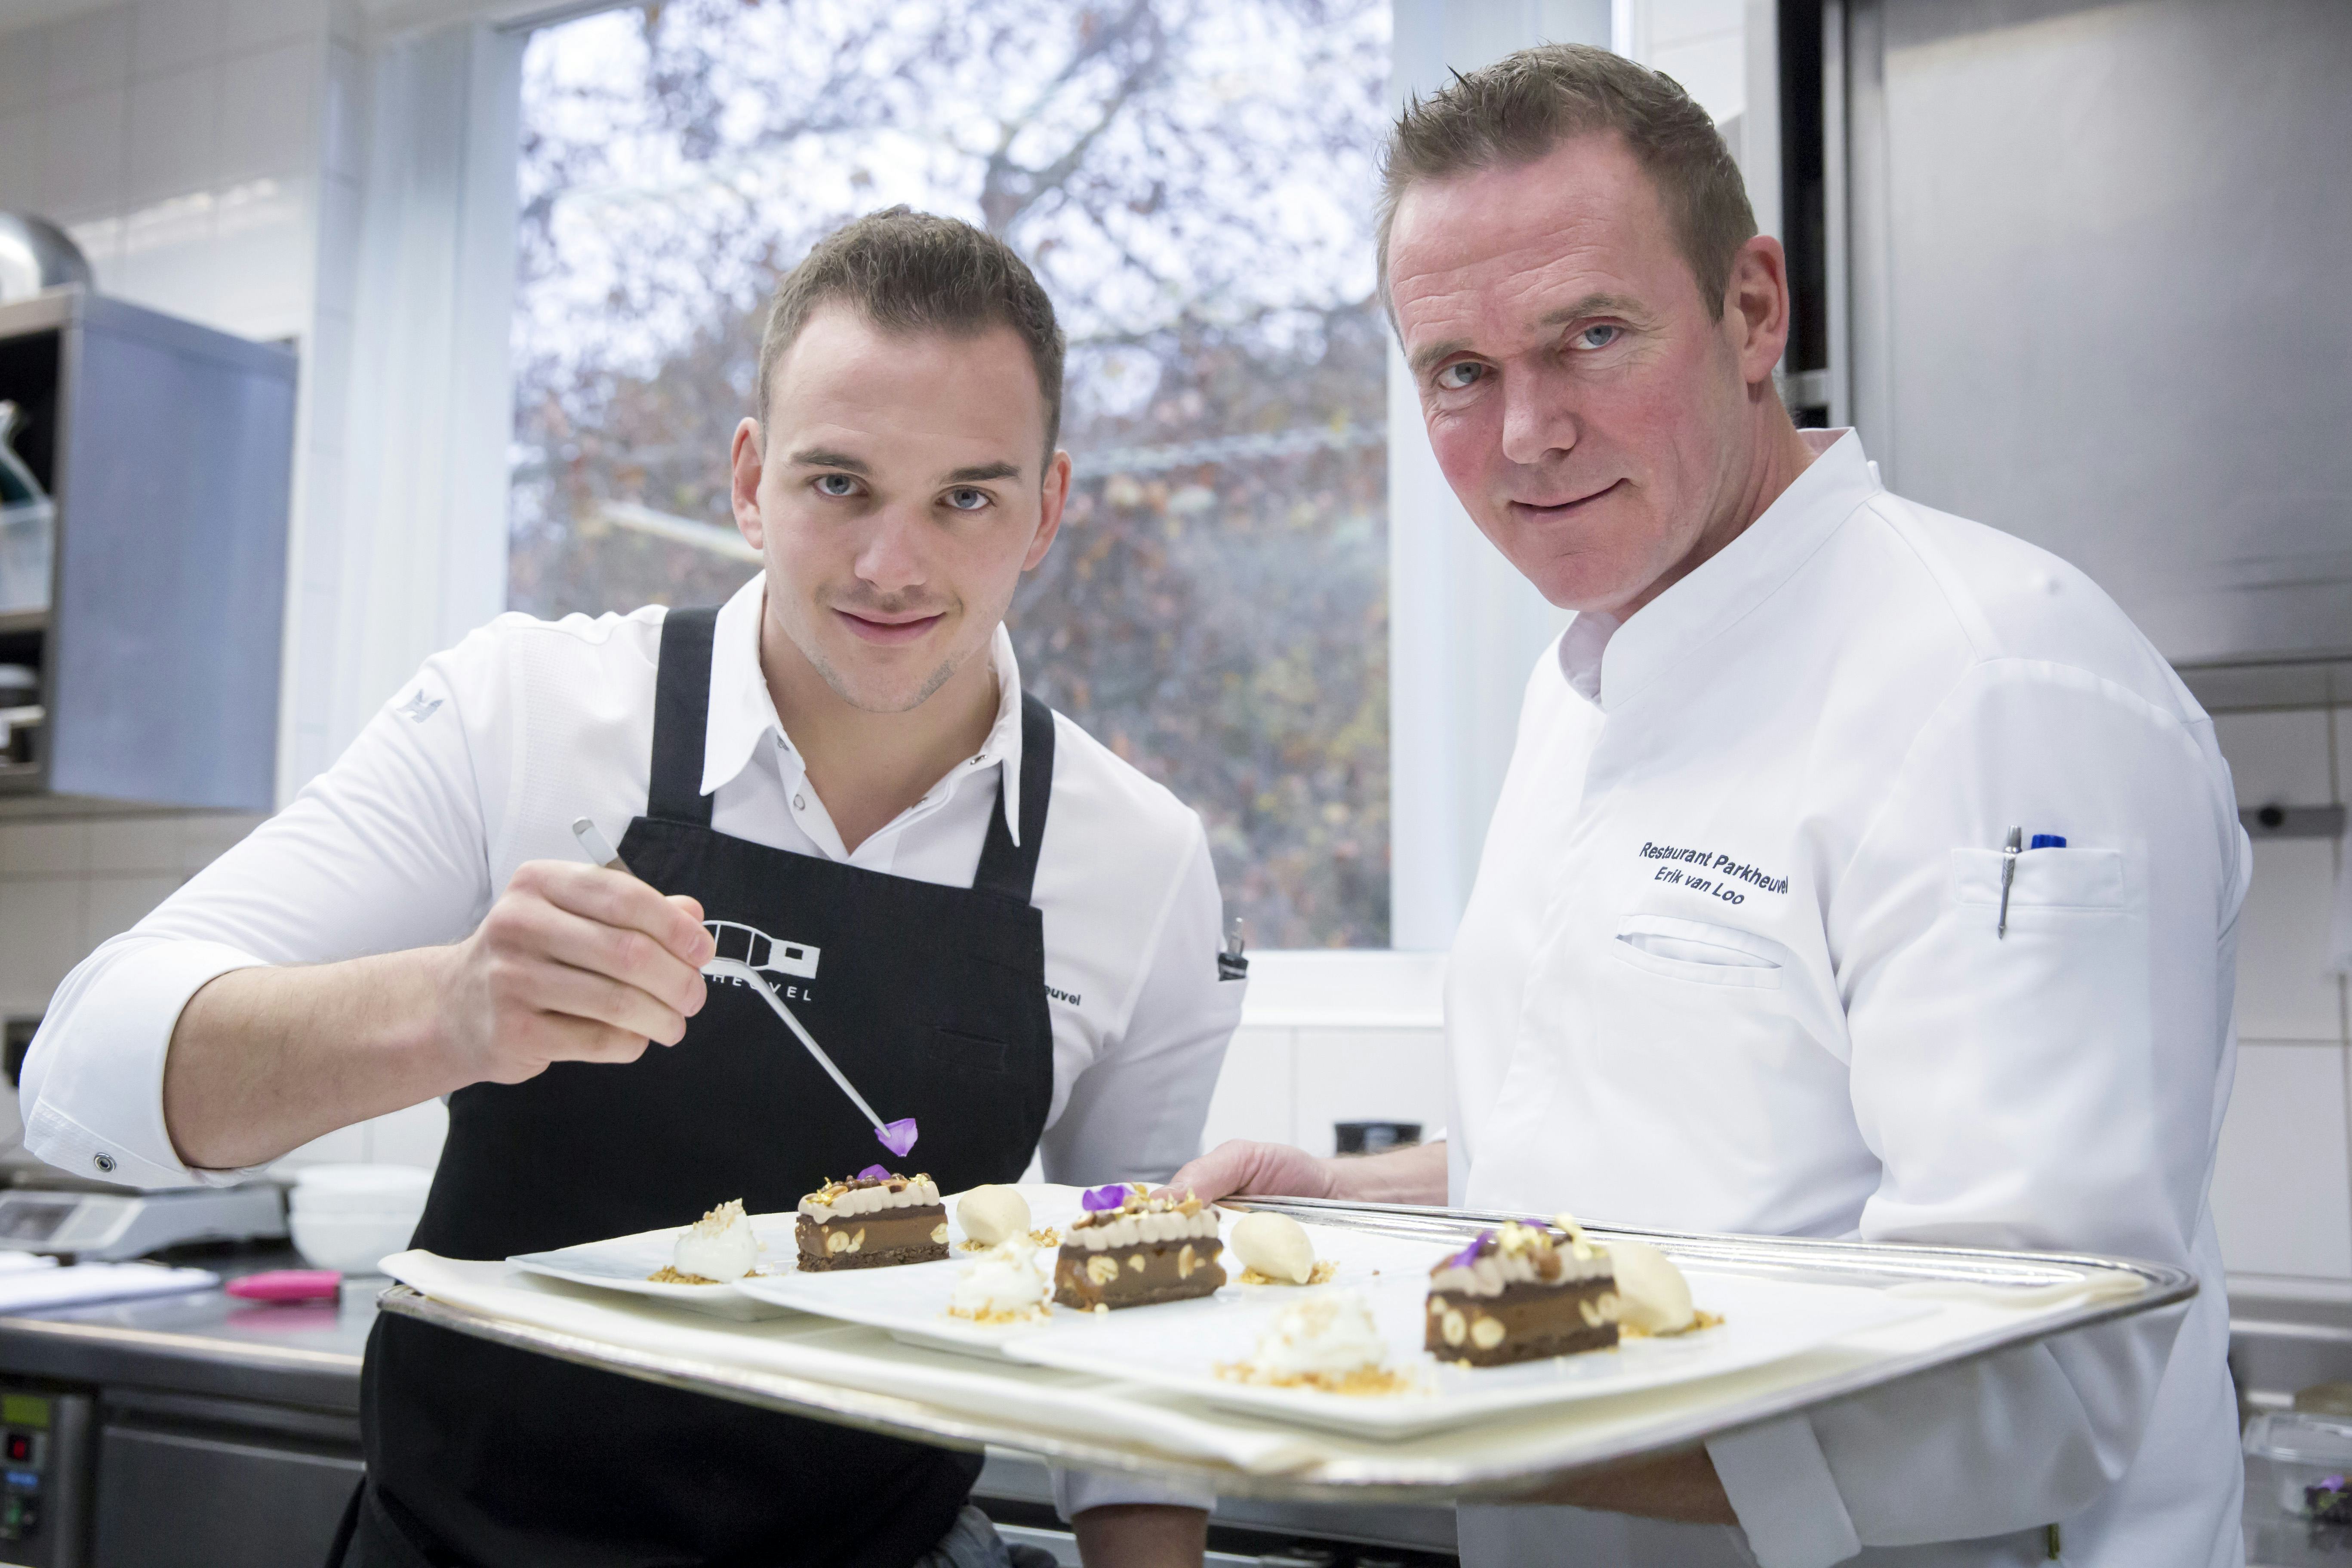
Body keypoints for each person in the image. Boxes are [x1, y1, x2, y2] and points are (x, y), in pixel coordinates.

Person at [24, 209, 1238, 1568]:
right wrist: (449, 1007)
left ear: (1047, 511)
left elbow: (1138, 1328)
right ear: (747, 479)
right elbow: (85, 1076)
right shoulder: (524, 715)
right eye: (838, 484)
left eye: (966, 496)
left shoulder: (1137, 861)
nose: (893, 566)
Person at [1172, 44, 2245, 1568]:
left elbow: (2040, 1364)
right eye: (1459, 373)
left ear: (1752, 309)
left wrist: (1410, 1409)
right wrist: (1359, 1199)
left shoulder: (1997, 687)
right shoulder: (1586, 681)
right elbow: (1685, 1155)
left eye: (1590, 336)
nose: (1525, 433)